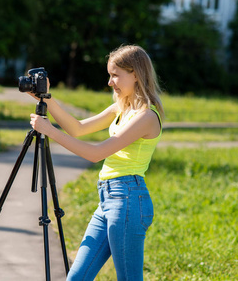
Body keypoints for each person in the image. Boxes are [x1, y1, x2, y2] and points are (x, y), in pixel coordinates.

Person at [28, 45, 163, 281]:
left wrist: (50, 131)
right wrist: (46, 99)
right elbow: (78, 129)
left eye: (115, 75)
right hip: (108, 200)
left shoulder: (146, 116)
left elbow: (96, 153)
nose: (110, 82)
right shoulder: (122, 108)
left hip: (128, 201)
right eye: (110, 75)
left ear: (136, 74)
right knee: (76, 278)